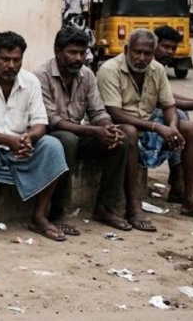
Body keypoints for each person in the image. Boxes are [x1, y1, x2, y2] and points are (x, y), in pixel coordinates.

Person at [35, 28, 152, 233]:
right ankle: (58, 212)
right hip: (51, 137)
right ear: (58, 51)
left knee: (121, 138)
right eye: (72, 52)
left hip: (80, 134)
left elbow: (97, 112)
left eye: (82, 53)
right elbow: (53, 121)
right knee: (66, 139)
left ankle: (106, 208)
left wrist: (108, 128)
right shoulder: (41, 76)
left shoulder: (86, 75)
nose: (78, 58)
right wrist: (94, 131)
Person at [97, 28, 193, 224]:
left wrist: (173, 127)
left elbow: (168, 104)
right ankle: (134, 207)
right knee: (130, 131)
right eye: (137, 52)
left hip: (146, 127)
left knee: (191, 129)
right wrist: (157, 127)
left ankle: (190, 200)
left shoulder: (157, 69)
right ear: (127, 50)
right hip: (121, 128)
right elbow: (115, 113)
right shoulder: (110, 70)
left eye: (147, 53)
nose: (142, 58)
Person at [0, 31, 68, 244]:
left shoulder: (30, 81)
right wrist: (8, 141)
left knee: (54, 145)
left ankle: (39, 217)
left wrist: (28, 138)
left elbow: (40, 123)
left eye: (16, 60)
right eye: (5, 59)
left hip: (20, 145)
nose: (11, 65)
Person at [151, 25, 193, 201]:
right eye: (165, 47)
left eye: (173, 48)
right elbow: (160, 100)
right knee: (180, 118)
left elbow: (166, 96)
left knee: (180, 116)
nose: (169, 52)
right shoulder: (149, 64)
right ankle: (179, 181)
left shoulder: (159, 67)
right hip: (139, 118)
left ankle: (183, 177)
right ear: (154, 44)